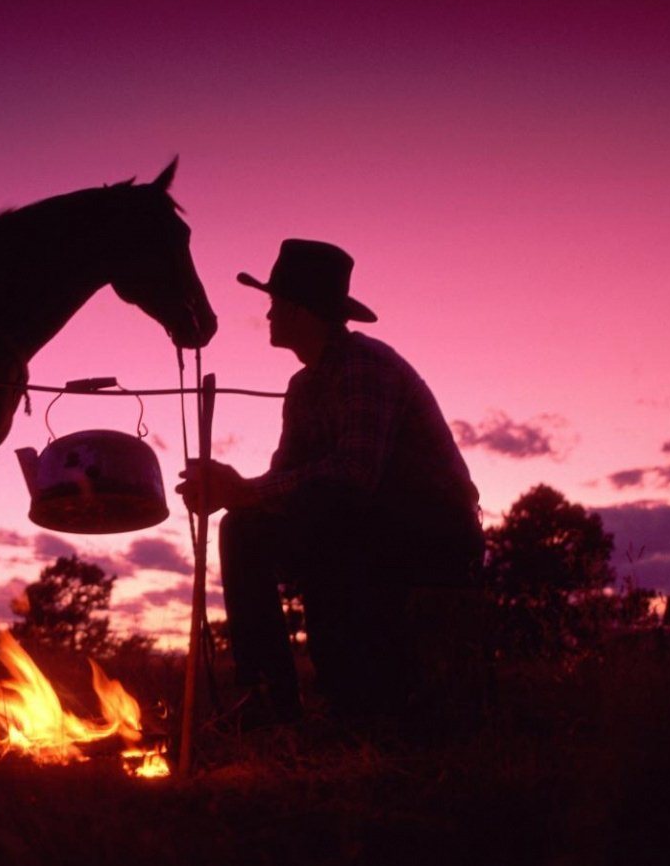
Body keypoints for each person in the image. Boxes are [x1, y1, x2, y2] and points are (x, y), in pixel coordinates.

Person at [178, 239, 482, 728]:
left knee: (329, 513)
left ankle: (360, 698)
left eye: (276, 304)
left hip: (434, 530)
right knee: (243, 528)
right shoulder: (303, 388)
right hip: (365, 523)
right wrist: (231, 493)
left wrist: (247, 491)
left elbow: (355, 473)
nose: (270, 315)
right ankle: (267, 697)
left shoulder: (366, 365)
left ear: (300, 311)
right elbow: (285, 482)